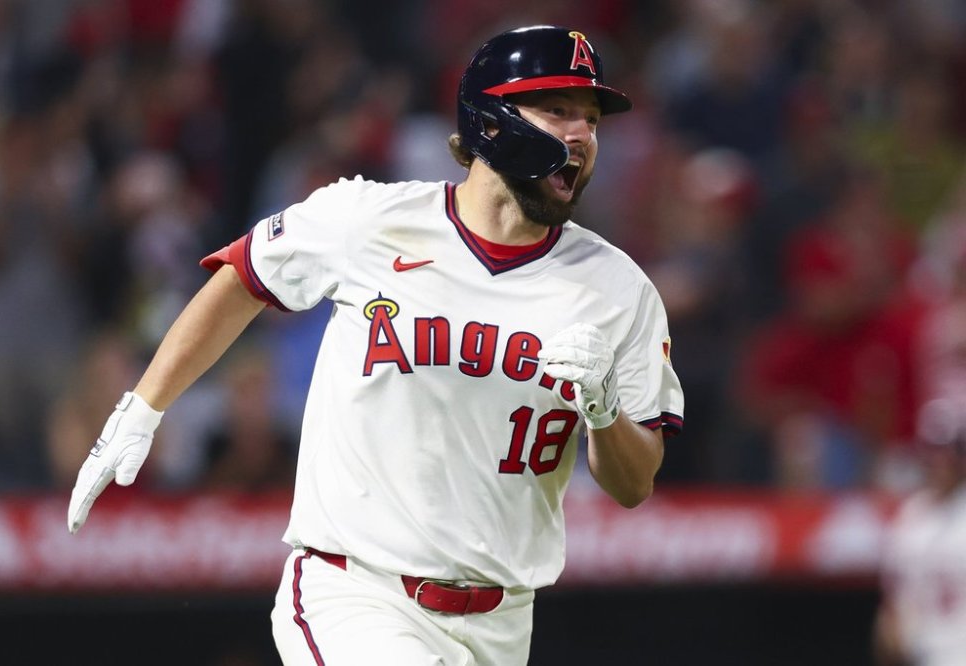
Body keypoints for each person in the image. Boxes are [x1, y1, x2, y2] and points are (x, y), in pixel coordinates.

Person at [67, 25, 684, 665]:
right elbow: (245, 277)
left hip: (503, 622)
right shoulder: (369, 220)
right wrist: (144, 404)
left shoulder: (619, 289)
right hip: (358, 594)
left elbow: (634, 483)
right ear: (490, 123)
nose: (582, 134)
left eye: (591, 118)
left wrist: (605, 413)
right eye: (557, 110)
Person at [874, 397, 966, 666]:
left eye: (950, 451)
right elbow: (891, 607)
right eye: (934, 451)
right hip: (920, 654)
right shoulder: (910, 516)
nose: (941, 461)